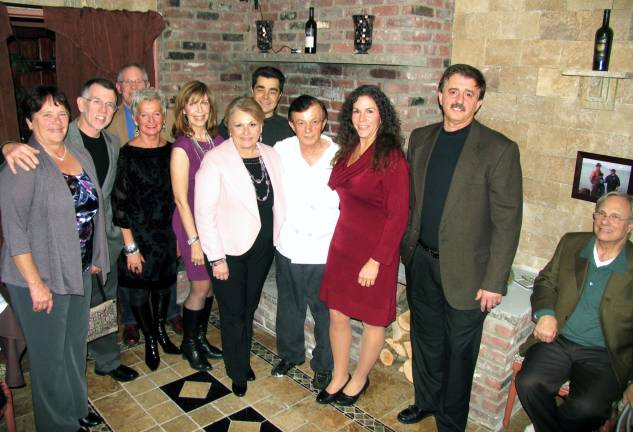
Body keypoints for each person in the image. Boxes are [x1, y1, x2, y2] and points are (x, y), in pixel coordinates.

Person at [398, 64, 523, 430]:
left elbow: (507, 220)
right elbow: (411, 201)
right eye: (453, 91)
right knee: (425, 340)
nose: (460, 99)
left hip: (469, 275)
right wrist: (405, 249)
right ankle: (426, 401)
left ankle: (451, 423)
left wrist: (495, 280)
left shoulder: (499, 149)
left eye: (470, 94)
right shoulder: (420, 138)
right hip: (421, 260)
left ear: (479, 103)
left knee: (459, 354)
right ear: (440, 95)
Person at [1, 78, 140, 384]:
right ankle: (71, 396)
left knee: (102, 307)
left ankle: (106, 361)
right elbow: (27, 156)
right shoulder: (62, 137)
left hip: (102, 243)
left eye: (109, 104)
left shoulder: (111, 143)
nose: (103, 109)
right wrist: (8, 145)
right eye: (96, 102)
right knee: (64, 336)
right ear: (80, 104)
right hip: (59, 252)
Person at [0, 86, 109, 431]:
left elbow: (94, 212)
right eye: (45, 114)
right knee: (49, 360)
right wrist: (35, 285)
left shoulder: (78, 153)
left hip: (76, 269)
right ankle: (56, 424)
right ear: (30, 121)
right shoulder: (23, 163)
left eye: (61, 113)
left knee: (74, 348)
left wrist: (95, 256)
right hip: (40, 276)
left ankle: (76, 407)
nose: (56, 120)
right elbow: (15, 232)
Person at [317, 85, 409, 406]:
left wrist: (377, 260)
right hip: (343, 247)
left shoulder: (391, 157)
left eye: (370, 110)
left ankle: (359, 378)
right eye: (356, 110)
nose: (362, 117)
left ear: (382, 115)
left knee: (372, 321)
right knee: (337, 315)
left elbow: (398, 217)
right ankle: (340, 374)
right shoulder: (348, 149)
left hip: (375, 253)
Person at [516, 191, 633, 432]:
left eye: (615, 216)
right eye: (600, 213)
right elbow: (545, 281)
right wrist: (545, 313)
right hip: (559, 340)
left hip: (605, 354)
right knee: (528, 383)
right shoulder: (572, 243)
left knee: (587, 409)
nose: (605, 221)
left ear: (630, 226)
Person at [195, 96, 286, 397]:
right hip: (228, 251)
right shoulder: (216, 160)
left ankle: (241, 356)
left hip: (262, 248)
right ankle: (237, 371)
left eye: (252, 124)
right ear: (229, 128)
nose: (246, 132)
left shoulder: (271, 155)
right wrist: (216, 258)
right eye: (239, 125)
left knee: (249, 307)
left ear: (260, 127)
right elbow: (203, 213)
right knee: (233, 312)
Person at [107, 63, 181, 344]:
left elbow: (176, 198)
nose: (151, 120)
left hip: (165, 234)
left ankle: (161, 330)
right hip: (137, 236)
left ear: (164, 118)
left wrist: (177, 236)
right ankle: (150, 337)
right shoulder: (127, 153)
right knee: (137, 291)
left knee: (164, 289)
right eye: (144, 115)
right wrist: (131, 248)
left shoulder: (173, 151)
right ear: (135, 118)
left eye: (156, 115)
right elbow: (120, 204)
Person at [270, 95, 338, 390]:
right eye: (301, 123)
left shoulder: (339, 153)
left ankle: (324, 365)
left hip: (326, 249)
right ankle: (290, 354)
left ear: (324, 122)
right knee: (290, 306)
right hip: (289, 244)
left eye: (314, 121)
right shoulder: (280, 150)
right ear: (291, 125)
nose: (308, 129)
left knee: (324, 313)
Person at [170, 81, 224, 371]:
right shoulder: (181, 147)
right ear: (183, 109)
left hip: (213, 224)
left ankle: (201, 338)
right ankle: (188, 343)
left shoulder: (217, 141)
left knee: (212, 284)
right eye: (193, 103)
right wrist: (194, 241)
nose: (200, 109)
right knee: (200, 285)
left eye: (204, 102)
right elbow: (180, 199)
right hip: (191, 225)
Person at [217, 66, 294, 145]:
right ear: (252, 91)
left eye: (272, 92)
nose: (266, 96)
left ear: (279, 95)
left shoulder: (288, 130)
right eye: (260, 90)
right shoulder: (234, 120)